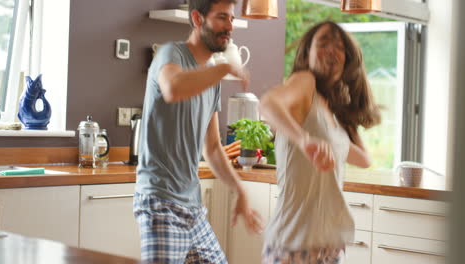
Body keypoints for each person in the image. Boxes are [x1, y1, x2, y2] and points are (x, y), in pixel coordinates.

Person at [133, 0, 263, 263]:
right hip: (160, 204)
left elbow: (212, 147)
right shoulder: (171, 54)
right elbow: (172, 88)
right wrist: (224, 68)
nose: (230, 26)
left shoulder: (211, 79)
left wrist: (240, 190)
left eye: (232, 19)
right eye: (222, 18)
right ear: (197, 18)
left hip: (193, 207)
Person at [259, 21, 381, 264]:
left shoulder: (330, 113)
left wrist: (348, 110)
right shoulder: (305, 83)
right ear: (307, 53)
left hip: (330, 246)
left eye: (339, 46)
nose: (331, 49)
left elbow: (364, 159)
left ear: (347, 59)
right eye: (323, 42)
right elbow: (268, 104)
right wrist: (304, 140)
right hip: (294, 245)